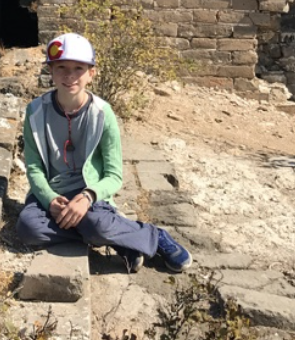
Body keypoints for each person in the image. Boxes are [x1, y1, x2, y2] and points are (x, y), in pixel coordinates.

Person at [16, 32, 193, 274]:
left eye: (78, 68)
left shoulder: (102, 114)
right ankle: (120, 239)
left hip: (90, 194)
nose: (69, 75)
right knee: (28, 228)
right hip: (54, 193)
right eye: (61, 67)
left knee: (95, 224)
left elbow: (113, 175)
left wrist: (88, 196)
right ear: (51, 71)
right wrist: (48, 198)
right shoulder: (35, 112)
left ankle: (152, 235)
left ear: (91, 73)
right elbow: (34, 167)